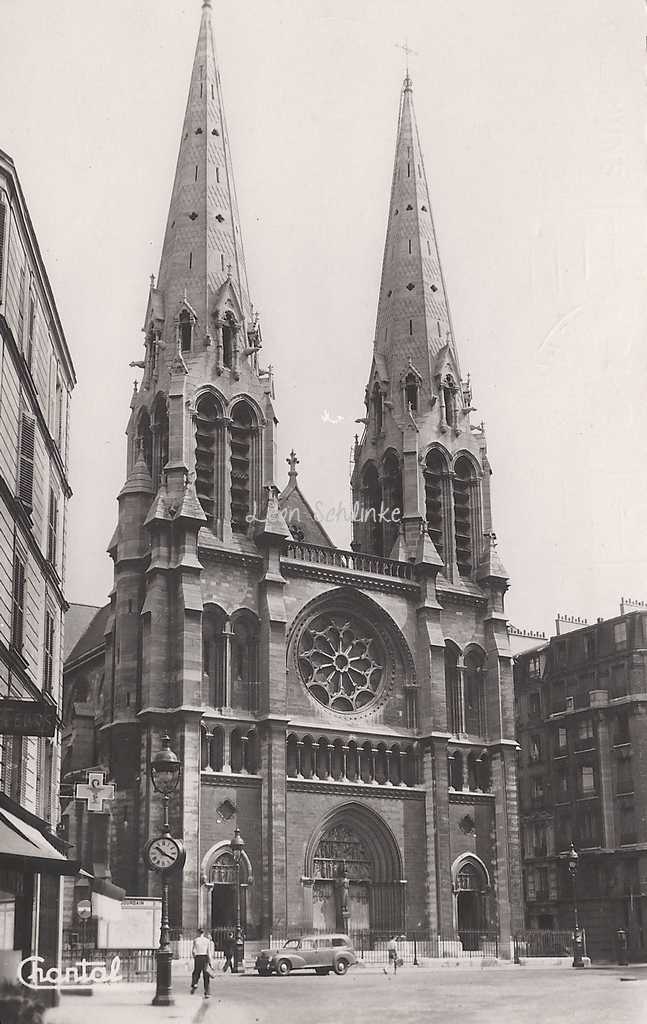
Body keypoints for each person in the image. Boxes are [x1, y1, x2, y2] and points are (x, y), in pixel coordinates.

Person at [191, 927, 214, 997]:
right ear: (203, 933)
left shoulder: (195, 940)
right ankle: (207, 992)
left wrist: (194, 956)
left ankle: (195, 983)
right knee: (206, 975)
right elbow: (209, 952)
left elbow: (193, 951)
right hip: (205, 957)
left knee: (196, 972)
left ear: (198, 933)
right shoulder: (207, 941)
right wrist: (211, 963)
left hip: (198, 957)